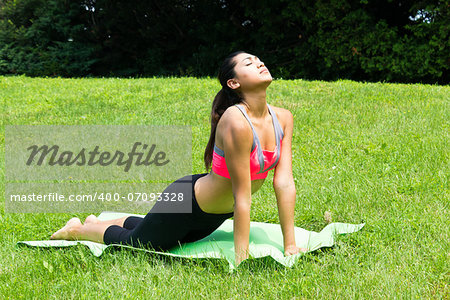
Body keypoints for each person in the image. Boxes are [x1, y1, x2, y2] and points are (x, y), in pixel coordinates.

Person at [51, 50, 306, 266]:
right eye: (249, 63)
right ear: (233, 83)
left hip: (216, 214)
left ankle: (98, 221)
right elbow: (242, 194)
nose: (260, 63)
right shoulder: (236, 121)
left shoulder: (283, 118)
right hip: (189, 203)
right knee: (138, 244)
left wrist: (290, 245)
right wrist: (241, 259)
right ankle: (78, 229)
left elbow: (283, 183)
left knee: (162, 235)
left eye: (259, 60)